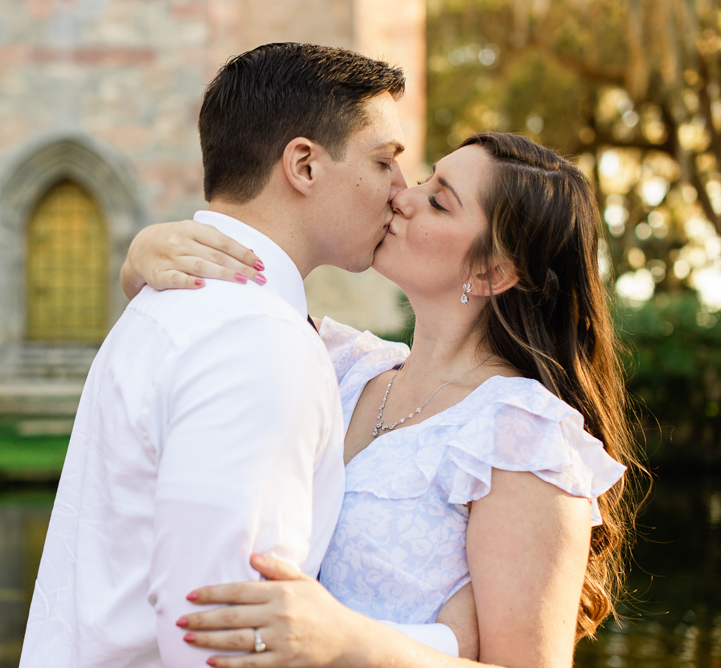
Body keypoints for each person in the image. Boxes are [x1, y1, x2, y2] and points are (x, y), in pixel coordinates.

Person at [19, 43, 474, 668]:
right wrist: (453, 644)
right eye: (385, 161)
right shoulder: (259, 341)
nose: (401, 192)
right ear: (305, 166)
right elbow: (216, 631)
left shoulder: (172, 303)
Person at [121, 131, 645, 667]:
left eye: (438, 201)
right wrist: (143, 252)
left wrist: (348, 643)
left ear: (492, 272)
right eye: (423, 179)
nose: (402, 196)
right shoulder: (342, 363)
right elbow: (216, 309)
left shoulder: (523, 435)